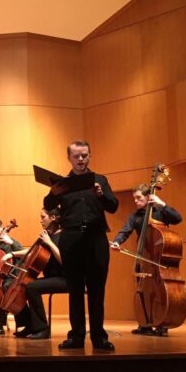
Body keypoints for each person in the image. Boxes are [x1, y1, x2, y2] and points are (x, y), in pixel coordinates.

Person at [44, 140, 119, 351]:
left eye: (84, 155)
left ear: (90, 155)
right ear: (69, 158)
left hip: (96, 239)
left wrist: (101, 195)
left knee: (97, 290)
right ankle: (76, 337)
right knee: (75, 290)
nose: (80, 160)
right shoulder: (63, 183)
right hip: (71, 239)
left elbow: (113, 206)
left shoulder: (100, 180)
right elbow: (48, 206)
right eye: (76, 156)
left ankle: (99, 337)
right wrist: (53, 192)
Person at [110, 183, 182, 336]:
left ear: (148, 197)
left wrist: (161, 203)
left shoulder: (160, 211)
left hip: (159, 263)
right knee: (143, 289)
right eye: (134, 198)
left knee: (160, 290)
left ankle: (161, 321)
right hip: (144, 261)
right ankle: (145, 322)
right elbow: (125, 231)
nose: (136, 201)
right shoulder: (134, 216)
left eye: (138, 198)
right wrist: (117, 242)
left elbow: (178, 218)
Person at [1, 208, 68, 339]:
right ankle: (31, 324)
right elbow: (32, 252)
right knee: (27, 285)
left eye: (43, 217)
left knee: (32, 287)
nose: (40, 220)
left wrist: (49, 242)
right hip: (52, 277)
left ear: (53, 217)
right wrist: (13, 253)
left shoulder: (63, 235)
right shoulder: (49, 234)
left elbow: (64, 260)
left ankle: (42, 329)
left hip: (65, 278)